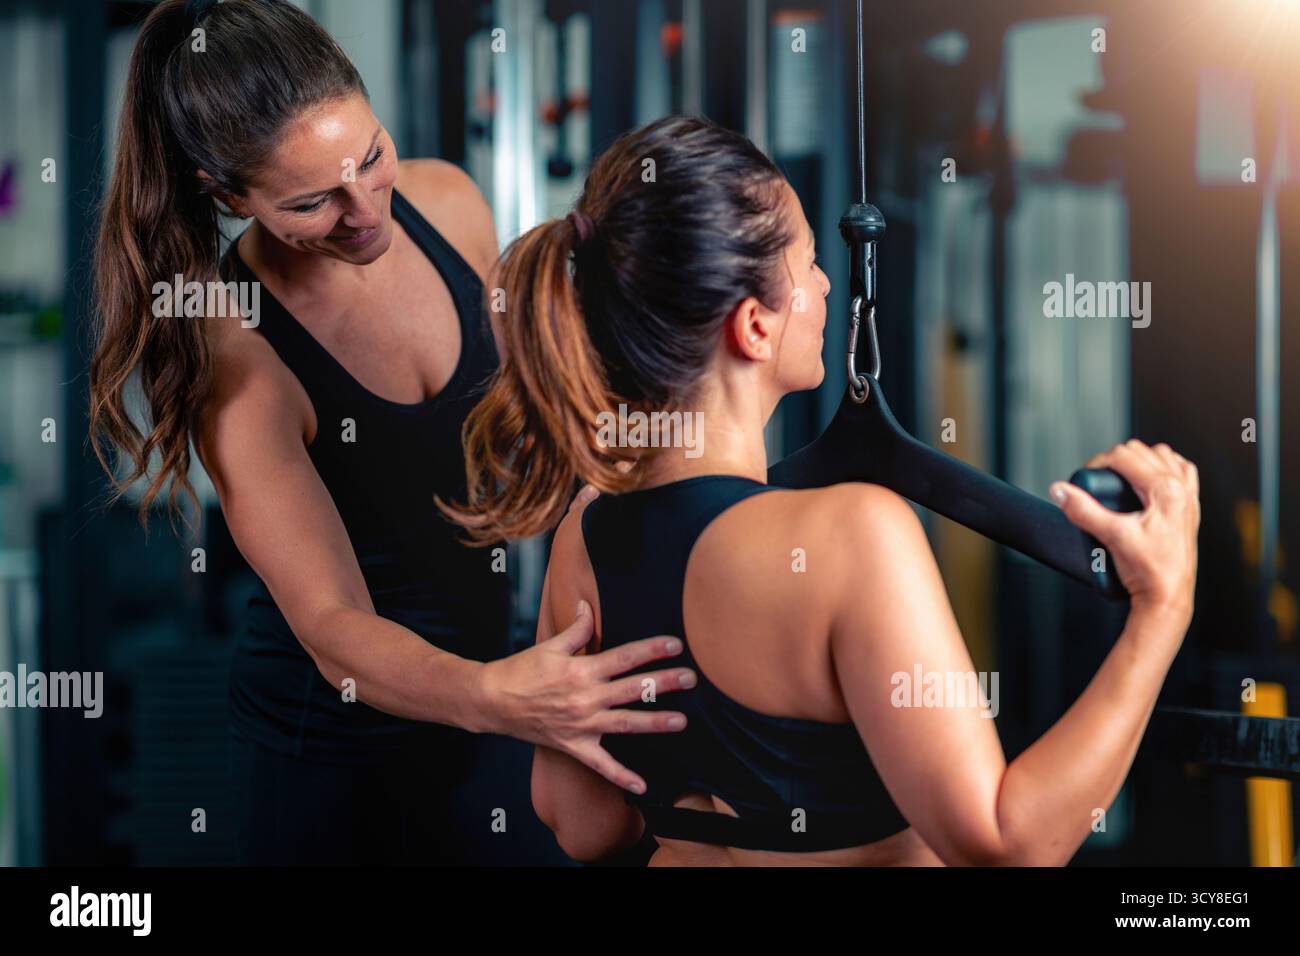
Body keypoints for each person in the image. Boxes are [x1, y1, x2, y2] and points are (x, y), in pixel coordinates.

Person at [446, 115, 1201, 866]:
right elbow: (1007, 844)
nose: (828, 283)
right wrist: (1162, 608)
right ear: (753, 328)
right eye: (807, 264)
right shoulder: (852, 533)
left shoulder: (587, 537)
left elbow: (585, 826)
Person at [88, 0, 692, 865]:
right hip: (333, 748)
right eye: (311, 202)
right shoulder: (235, 352)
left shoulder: (448, 202)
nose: (365, 208)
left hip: (493, 697)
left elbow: (538, 412)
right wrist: (494, 695)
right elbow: (331, 621)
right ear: (227, 196)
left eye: (371, 157)